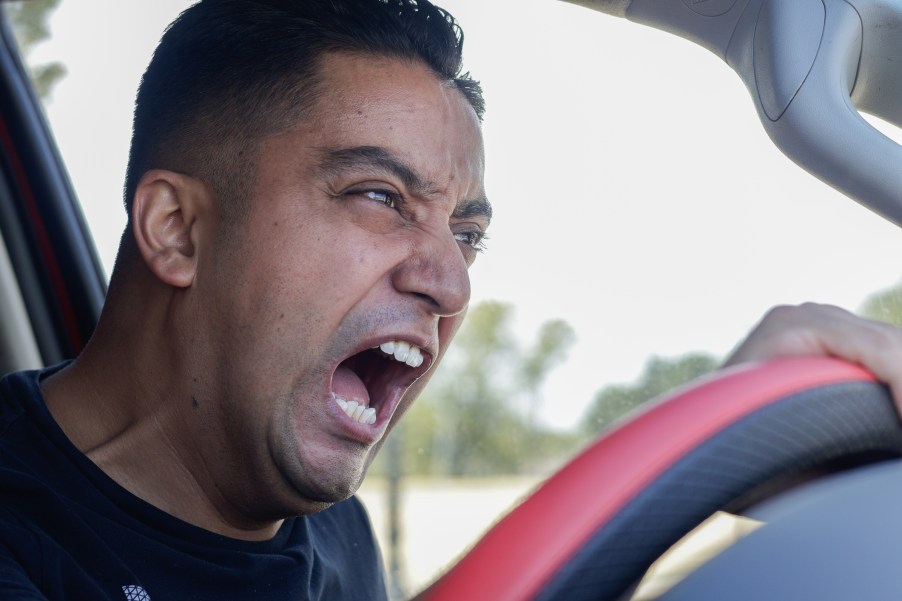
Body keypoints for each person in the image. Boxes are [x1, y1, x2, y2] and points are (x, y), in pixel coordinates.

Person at [0, 1, 901, 600]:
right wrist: (682, 456)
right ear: (177, 229)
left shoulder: (336, 533)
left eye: (467, 235)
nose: (452, 282)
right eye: (379, 196)